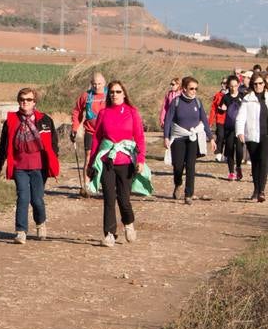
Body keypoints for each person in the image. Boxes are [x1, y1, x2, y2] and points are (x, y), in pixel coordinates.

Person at [86, 81, 152, 247]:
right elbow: (97, 139)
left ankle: (128, 223)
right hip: (107, 160)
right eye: (112, 92)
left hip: (126, 161)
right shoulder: (103, 113)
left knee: (124, 199)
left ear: (124, 94)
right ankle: (109, 234)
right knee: (109, 197)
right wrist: (92, 162)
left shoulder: (132, 112)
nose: (114, 95)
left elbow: (140, 138)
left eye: (118, 91)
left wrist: (141, 160)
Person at [0, 87, 60, 243]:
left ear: (34, 102)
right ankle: (21, 231)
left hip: (39, 166)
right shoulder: (11, 121)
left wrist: (53, 161)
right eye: (22, 99)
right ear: (18, 101)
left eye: (29, 100)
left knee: (37, 199)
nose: (25, 102)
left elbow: (53, 144)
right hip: (19, 166)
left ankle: (40, 222)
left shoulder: (44, 120)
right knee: (23, 197)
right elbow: (3, 146)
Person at [235, 74, 268, 202]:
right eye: (255, 84)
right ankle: (256, 189)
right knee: (255, 163)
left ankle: (262, 191)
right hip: (252, 136)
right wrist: (240, 132)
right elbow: (240, 117)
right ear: (252, 85)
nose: (258, 86)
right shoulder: (247, 99)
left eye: (260, 83)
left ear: (264, 84)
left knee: (264, 161)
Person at [162, 76, 212, 205]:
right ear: (184, 89)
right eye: (191, 88)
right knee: (178, 166)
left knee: (190, 166)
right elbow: (168, 120)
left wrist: (211, 138)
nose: (194, 91)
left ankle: (188, 194)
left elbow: (204, 121)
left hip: (192, 139)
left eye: (196, 88)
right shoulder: (176, 102)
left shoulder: (198, 102)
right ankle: (178, 183)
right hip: (178, 138)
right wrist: (166, 137)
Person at [69, 71, 108, 159]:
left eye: (99, 84)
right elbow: (77, 112)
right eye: (94, 84)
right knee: (89, 157)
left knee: (105, 157)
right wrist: (74, 128)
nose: (97, 87)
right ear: (91, 84)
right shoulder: (86, 96)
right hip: (90, 131)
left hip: (107, 132)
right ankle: (87, 173)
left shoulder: (110, 95)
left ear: (104, 83)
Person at [218, 75, 246, 181]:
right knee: (229, 149)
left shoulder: (243, 96)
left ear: (238, 85)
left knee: (239, 150)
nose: (233, 88)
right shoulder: (226, 97)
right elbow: (220, 110)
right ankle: (231, 172)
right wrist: (222, 109)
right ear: (228, 86)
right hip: (229, 127)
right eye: (231, 86)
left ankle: (238, 166)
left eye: (235, 85)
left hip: (240, 128)